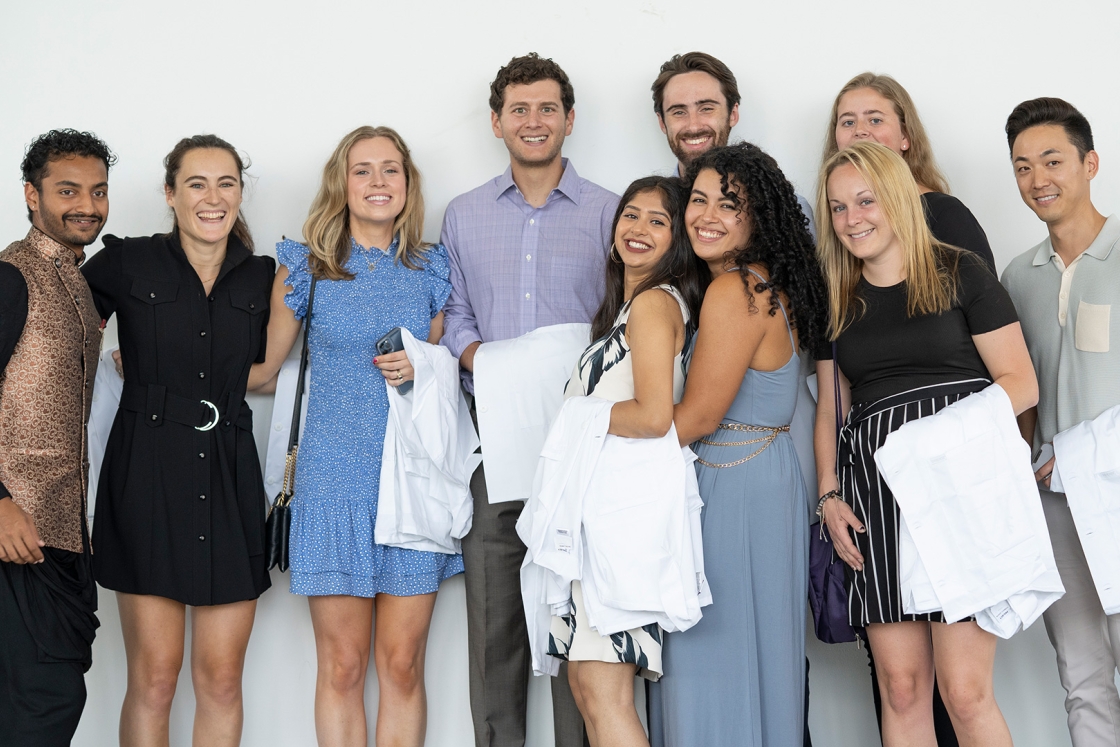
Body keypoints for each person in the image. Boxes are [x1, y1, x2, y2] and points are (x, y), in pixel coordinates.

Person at [814, 141, 1037, 746]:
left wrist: (935, 441)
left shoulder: (960, 270)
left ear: (897, 199)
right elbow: (832, 408)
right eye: (838, 208)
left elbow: (1020, 383)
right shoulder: (836, 299)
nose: (852, 218)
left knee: (964, 694)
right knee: (903, 689)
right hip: (874, 498)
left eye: (866, 201)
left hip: (959, 489)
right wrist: (828, 494)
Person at [247, 125, 459, 747]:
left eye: (389, 169)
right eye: (362, 169)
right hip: (333, 482)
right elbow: (264, 370)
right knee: (341, 667)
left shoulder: (431, 267)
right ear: (341, 182)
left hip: (414, 487)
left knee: (402, 665)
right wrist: (160, 365)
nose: (376, 182)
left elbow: (445, 381)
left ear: (408, 183)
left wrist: (425, 364)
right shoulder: (306, 265)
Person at [440, 53, 618, 747]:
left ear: (569, 119)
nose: (534, 120)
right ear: (496, 122)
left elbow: (625, 322)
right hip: (493, 439)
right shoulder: (464, 214)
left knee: (579, 619)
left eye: (547, 108)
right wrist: (490, 363)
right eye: (519, 109)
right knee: (496, 624)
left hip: (586, 442)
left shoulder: (610, 210)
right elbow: (455, 315)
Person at [82, 135, 274, 747]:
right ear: (170, 194)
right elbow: (53, 325)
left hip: (229, 476)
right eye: (197, 183)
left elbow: (271, 370)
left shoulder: (264, 277)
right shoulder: (126, 262)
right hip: (145, 475)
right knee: (155, 680)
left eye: (227, 184)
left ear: (240, 194)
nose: (213, 198)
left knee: (221, 680)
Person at [647, 142, 828, 746]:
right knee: (760, 654)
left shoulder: (736, 292)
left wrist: (594, 433)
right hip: (765, 473)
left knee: (710, 656)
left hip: (730, 481)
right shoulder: (769, 285)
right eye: (698, 201)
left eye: (730, 205)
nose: (707, 216)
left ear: (759, 218)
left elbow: (696, 417)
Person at [547, 175, 703, 747]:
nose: (638, 229)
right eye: (630, 216)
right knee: (590, 689)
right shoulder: (628, 307)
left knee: (602, 692)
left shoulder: (655, 305)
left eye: (657, 221)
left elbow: (655, 415)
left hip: (622, 529)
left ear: (677, 240)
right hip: (602, 523)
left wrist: (572, 422)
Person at [1001, 97, 1120, 747]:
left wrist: (1080, 450)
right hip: (1053, 504)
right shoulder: (1019, 277)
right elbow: (1016, 396)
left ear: (1090, 162)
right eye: (1022, 166)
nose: (1037, 178)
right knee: (1082, 674)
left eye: (1052, 160)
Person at [0, 129, 112, 745]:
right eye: (67, 190)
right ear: (31, 194)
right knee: (41, 702)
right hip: (15, 530)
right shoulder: (12, 276)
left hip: (65, 532)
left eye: (98, 191)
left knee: (47, 698)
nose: (86, 205)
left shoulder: (78, 280)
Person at [823, 72, 996, 273]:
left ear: (905, 135)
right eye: (848, 122)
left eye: (875, 120)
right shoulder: (839, 219)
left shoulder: (946, 216)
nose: (860, 131)